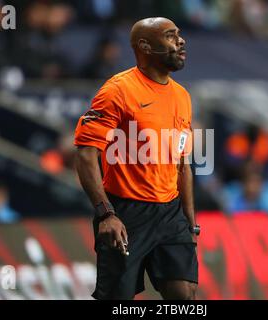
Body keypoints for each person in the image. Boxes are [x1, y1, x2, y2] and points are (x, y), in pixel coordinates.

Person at [74, 17, 198, 300]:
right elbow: (85, 154)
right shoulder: (118, 90)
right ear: (145, 46)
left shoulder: (182, 97)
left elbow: (183, 163)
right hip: (127, 213)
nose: (181, 41)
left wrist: (190, 222)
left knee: (184, 293)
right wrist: (106, 213)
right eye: (170, 36)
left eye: (179, 35)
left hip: (170, 213)